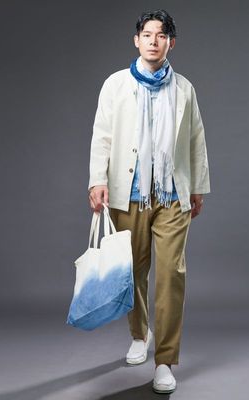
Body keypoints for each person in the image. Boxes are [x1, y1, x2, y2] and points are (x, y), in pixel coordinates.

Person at [87, 9, 210, 394]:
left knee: (171, 274)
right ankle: (140, 334)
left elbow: (196, 138)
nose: (153, 41)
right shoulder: (116, 84)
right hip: (128, 194)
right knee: (134, 270)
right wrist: (97, 180)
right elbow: (102, 135)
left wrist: (198, 186)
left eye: (161, 35)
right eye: (147, 34)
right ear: (136, 40)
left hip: (172, 194)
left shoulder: (184, 88)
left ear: (171, 42)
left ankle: (165, 360)